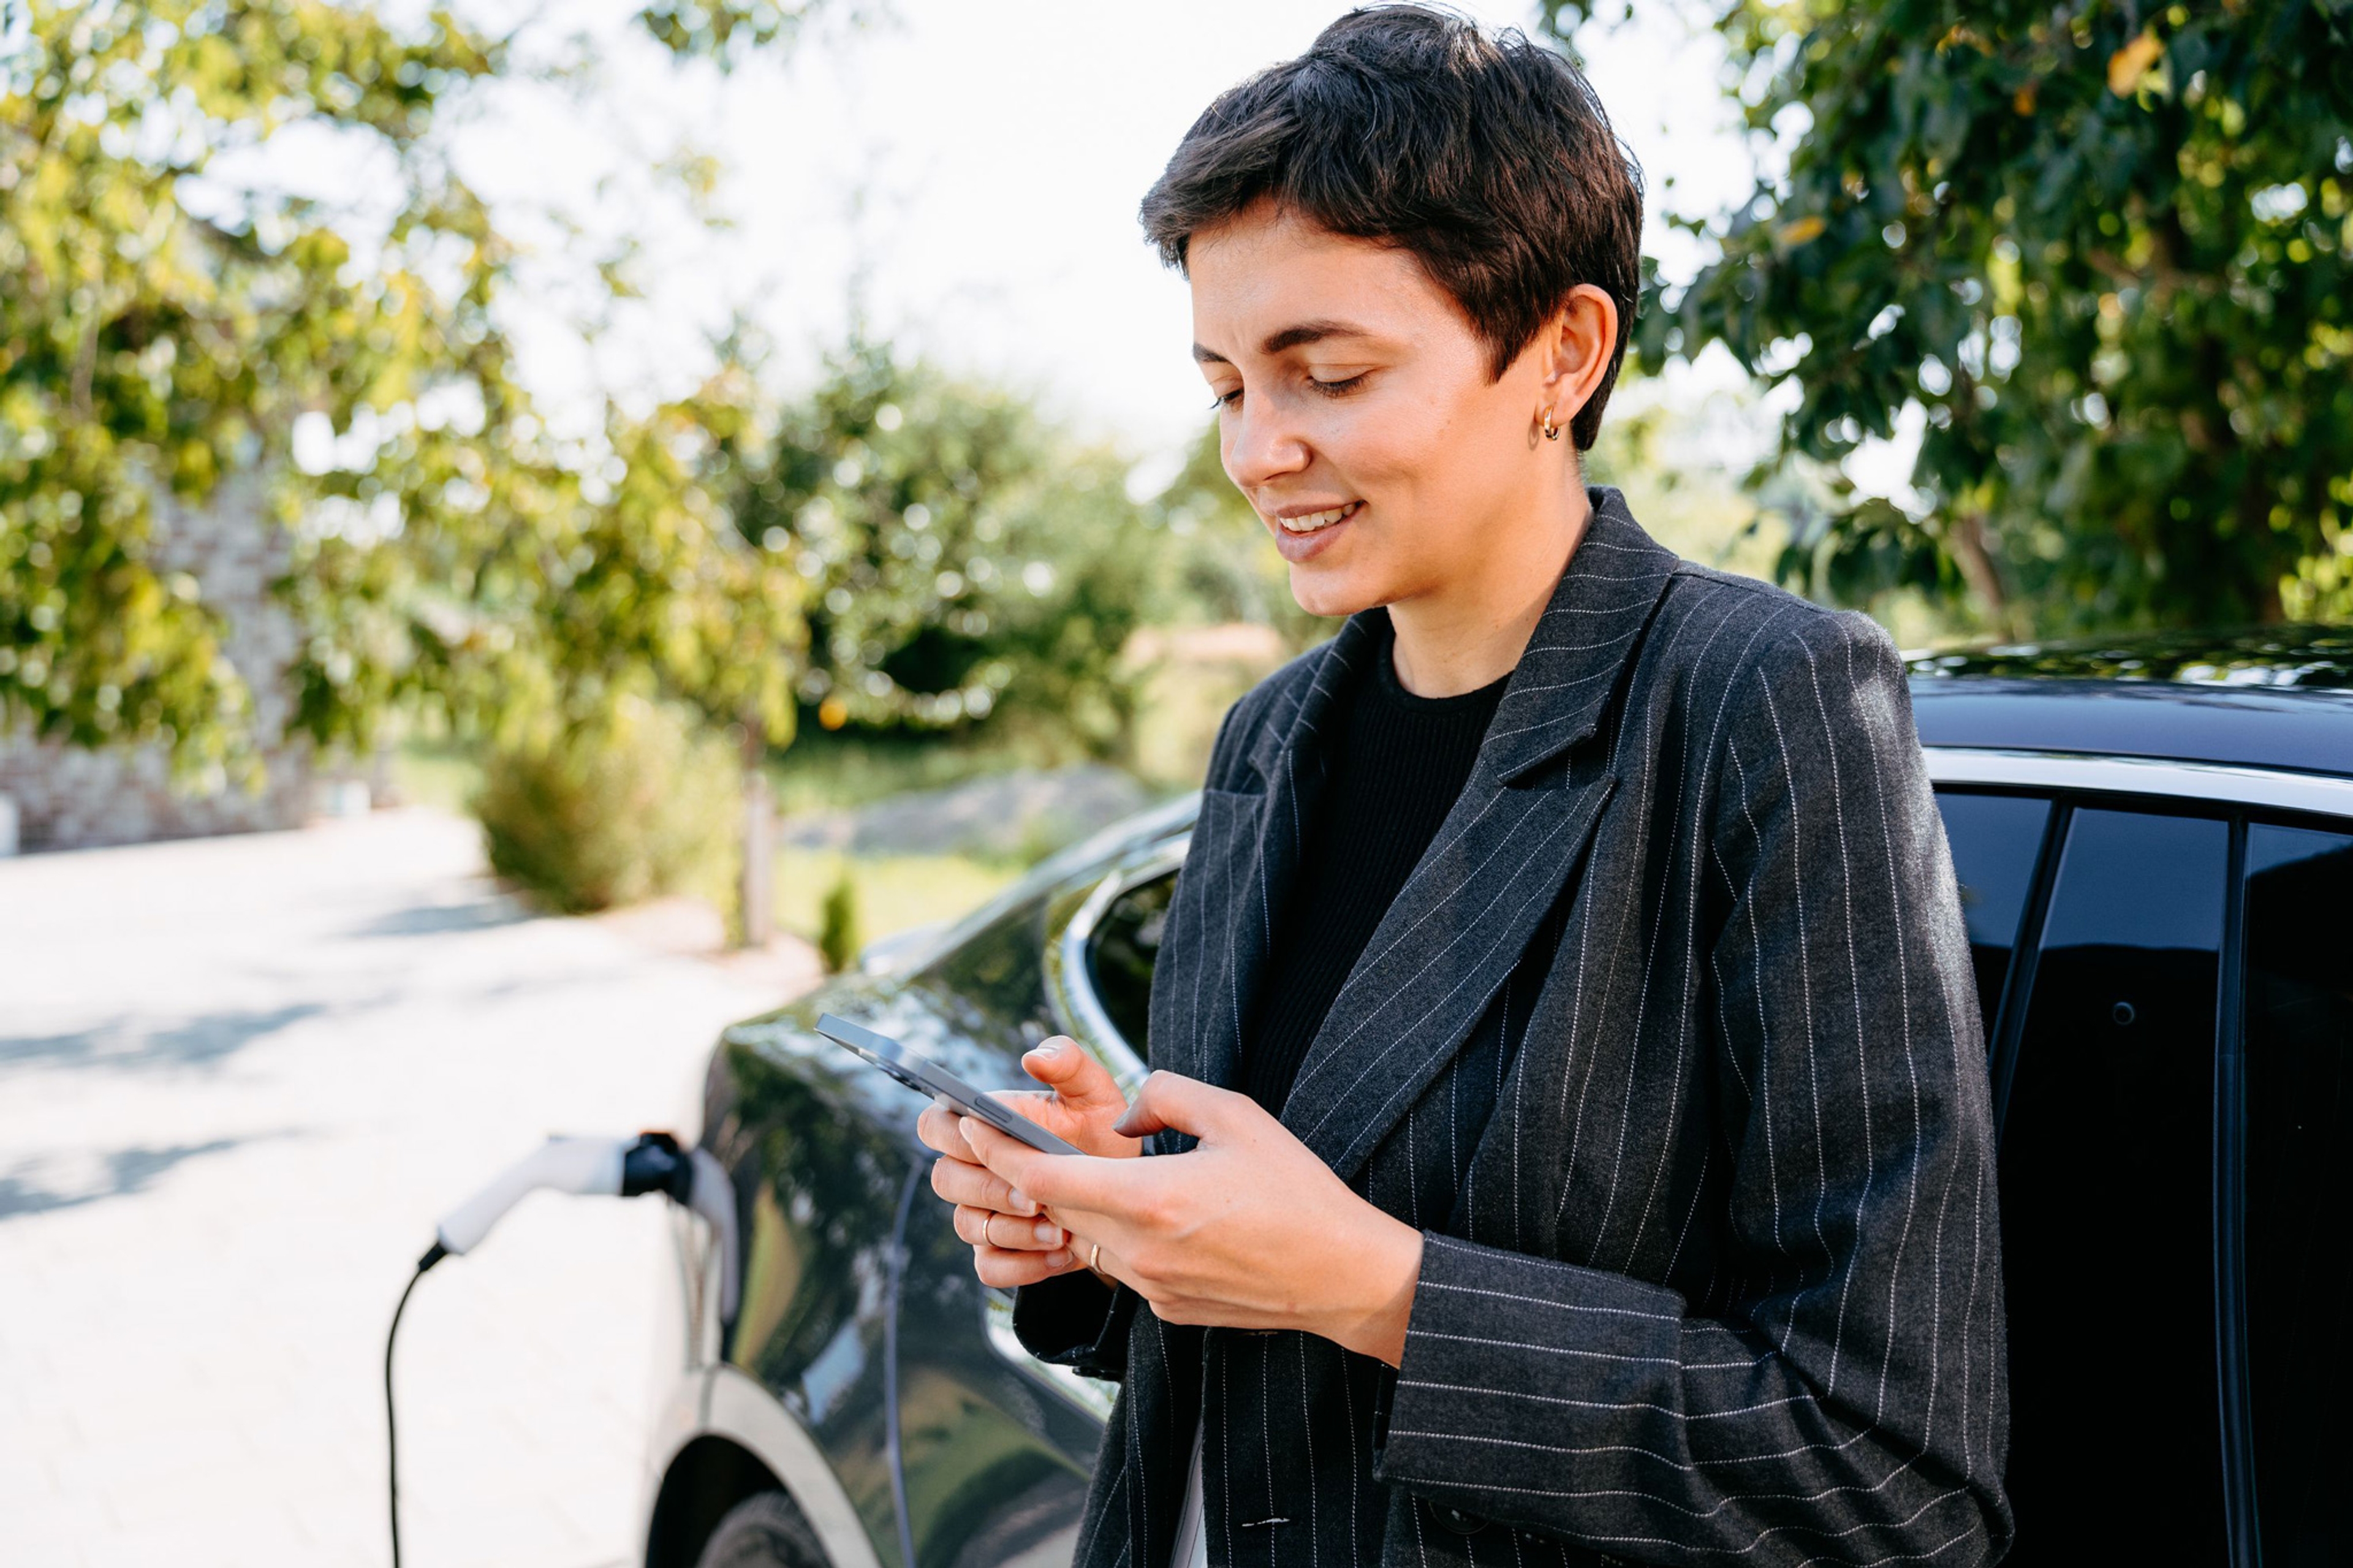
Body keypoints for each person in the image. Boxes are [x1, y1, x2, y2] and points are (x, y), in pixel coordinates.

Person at [917, 8, 2012, 1566]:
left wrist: (1375, 1283)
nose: (1258, 451)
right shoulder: (1266, 746)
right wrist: (1104, 1234)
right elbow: (1249, 1330)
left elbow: (1892, 1482)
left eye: (1331, 375)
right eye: (1228, 386)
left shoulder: (1766, 709)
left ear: (1563, 351)